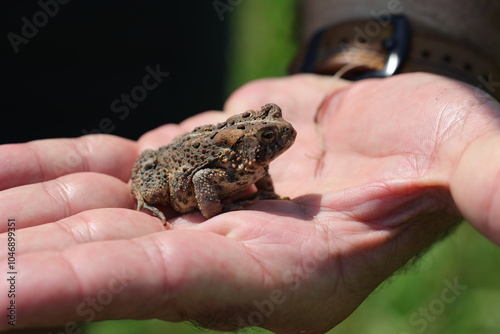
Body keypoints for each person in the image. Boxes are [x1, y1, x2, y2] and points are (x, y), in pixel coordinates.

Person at [1, 1, 499, 333]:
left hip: (155, 37)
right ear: (249, 147)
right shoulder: (229, 165)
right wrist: (212, 212)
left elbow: (254, 175)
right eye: (267, 138)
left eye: (274, 130)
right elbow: (198, 178)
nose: (280, 138)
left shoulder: (248, 162)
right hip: (170, 161)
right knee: (35, 295)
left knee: (47, 303)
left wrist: (267, 192)